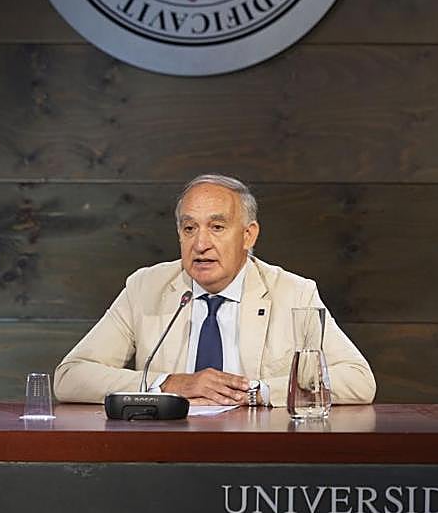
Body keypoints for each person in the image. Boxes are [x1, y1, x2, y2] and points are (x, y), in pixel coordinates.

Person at [55, 174, 376, 406]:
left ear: (248, 236)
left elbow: (358, 381)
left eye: (217, 227)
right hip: (163, 454)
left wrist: (258, 391)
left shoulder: (292, 293)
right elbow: (70, 377)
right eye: (189, 228)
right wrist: (167, 384)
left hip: (259, 454)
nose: (201, 243)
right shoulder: (146, 288)